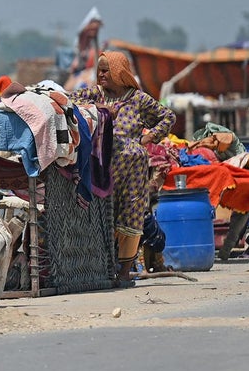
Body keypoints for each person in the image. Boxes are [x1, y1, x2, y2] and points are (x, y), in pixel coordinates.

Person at [73, 50, 175, 278]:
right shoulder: (94, 95)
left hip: (134, 171)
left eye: (106, 70)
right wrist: (100, 112)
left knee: (132, 213)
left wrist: (148, 138)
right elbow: (70, 104)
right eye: (99, 70)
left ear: (119, 72)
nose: (101, 74)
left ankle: (124, 273)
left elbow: (168, 117)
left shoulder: (138, 99)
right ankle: (101, 269)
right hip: (104, 165)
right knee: (101, 213)